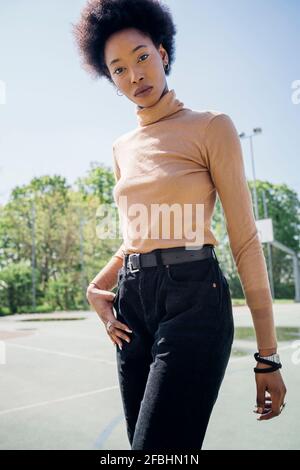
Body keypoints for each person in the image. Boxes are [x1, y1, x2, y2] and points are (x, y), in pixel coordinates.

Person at [73, 0, 287, 450]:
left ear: (163, 52)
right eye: (118, 69)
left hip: (194, 299)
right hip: (132, 307)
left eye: (142, 57)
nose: (135, 75)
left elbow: (245, 239)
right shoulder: (121, 148)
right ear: (110, 80)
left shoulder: (211, 127)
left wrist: (267, 356)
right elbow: (139, 235)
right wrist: (100, 284)